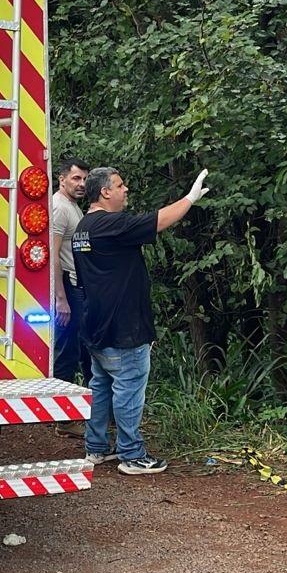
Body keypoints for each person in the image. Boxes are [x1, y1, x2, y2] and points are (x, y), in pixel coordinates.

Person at [71, 165, 209, 475]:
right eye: (120, 185)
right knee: (128, 389)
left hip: (96, 325)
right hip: (123, 328)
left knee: (102, 386)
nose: (125, 190)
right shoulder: (111, 224)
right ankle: (132, 455)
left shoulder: (84, 227)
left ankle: (96, 448)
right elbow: (158, 221)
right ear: (105, 192)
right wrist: (189, 198)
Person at [49, 157, 91, 385]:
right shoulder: (59, 207)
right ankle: (60, 414)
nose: (81, 183)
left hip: (77, 286)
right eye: (76, 178)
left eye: (85, 179)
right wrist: (61, 299)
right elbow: (52, 254)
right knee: (67, 350)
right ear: (62, 179)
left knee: (80, 347)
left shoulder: (72, 206)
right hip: (67, 287)